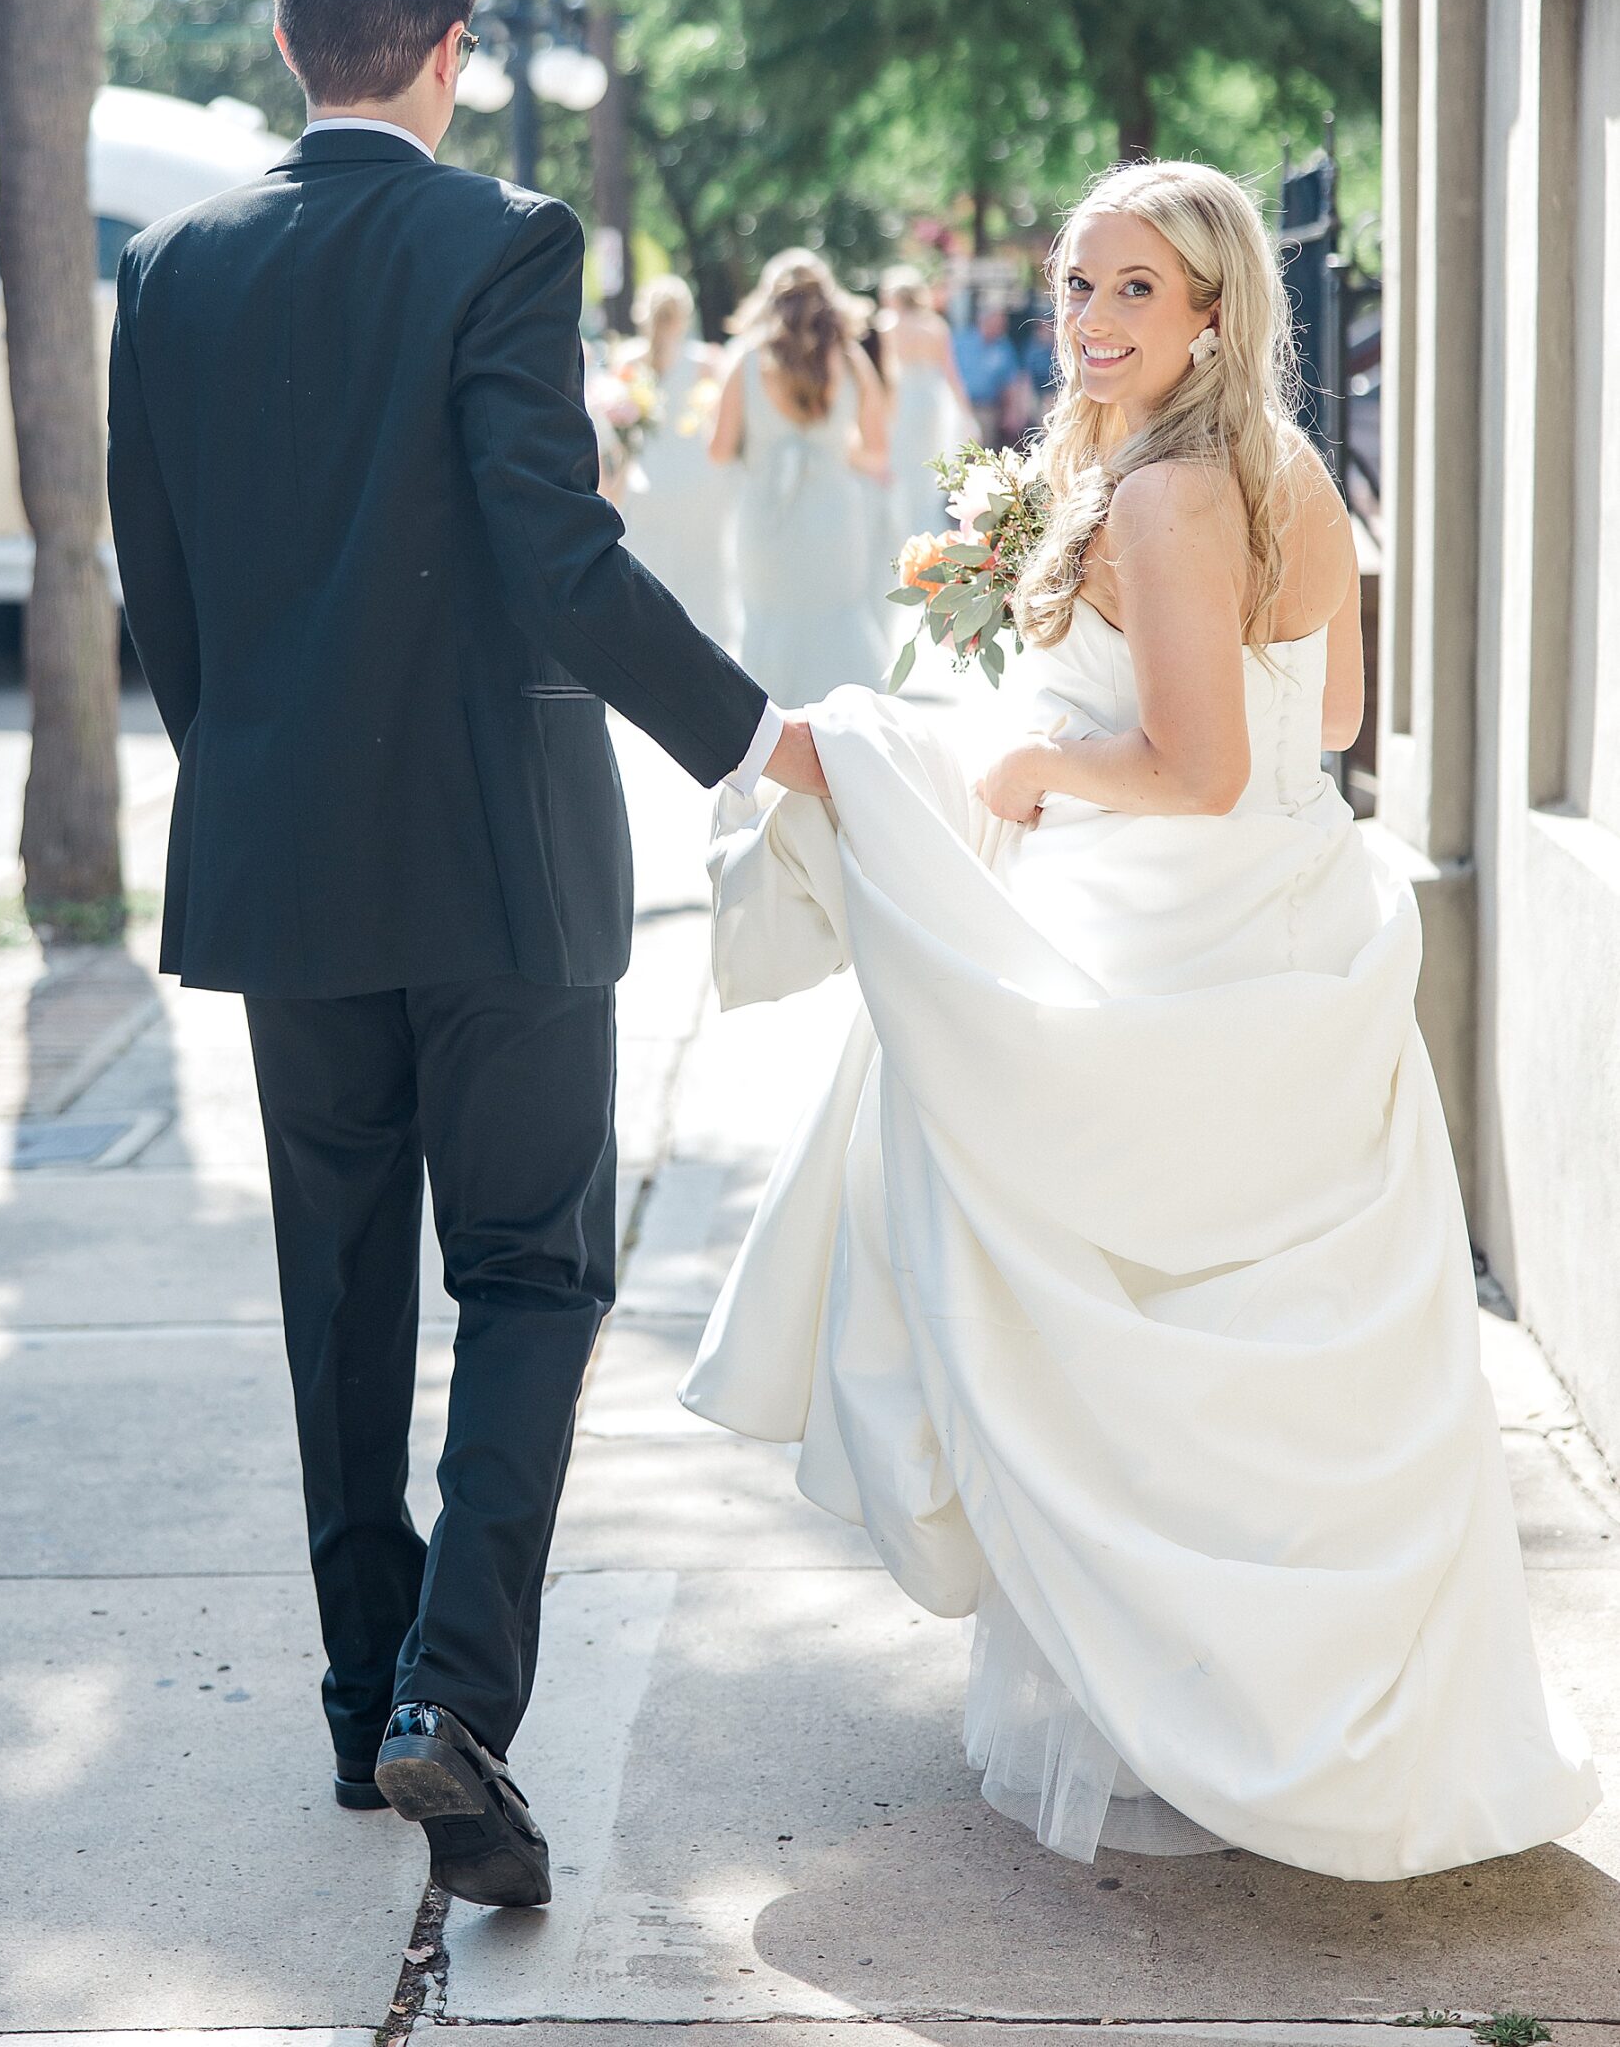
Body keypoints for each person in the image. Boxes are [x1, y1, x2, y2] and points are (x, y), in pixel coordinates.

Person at [685, 158, 1598, 1879]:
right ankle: (1301, 1710)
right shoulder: (1286, 471)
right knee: (1263, 1346)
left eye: (1129, 292)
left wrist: (1029, 756)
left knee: (1099, 1321)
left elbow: (1198, 764)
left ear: (1208, 313)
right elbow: (1323, 710)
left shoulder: (1171, 496)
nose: (1089, 323)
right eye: (1074, 287)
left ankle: (1194, 1712)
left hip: (1177, 939)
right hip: (1285, 917)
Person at [106, 0, 826, 1914]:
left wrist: (252, 770)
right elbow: (555, 554)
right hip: (497, 859)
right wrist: (750, 730)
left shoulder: (169, 268)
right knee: (528, 1274)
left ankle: (363, 1703)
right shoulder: (500, 237)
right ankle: (452, 1695)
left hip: (278, 862)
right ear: (445, 56)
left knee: (338, 1285)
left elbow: (161, 592)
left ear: (290, 48)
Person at [710, 247, 892, 707]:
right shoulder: (851, 362)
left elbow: (718, 450)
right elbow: (877, 451)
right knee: (838, 625)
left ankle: (766, 750)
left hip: (765, 521)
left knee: (767, 626)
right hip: (835, 520)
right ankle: (843, 750)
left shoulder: (747, 362)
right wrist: (833, 449)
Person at [614, 273, 737, 648]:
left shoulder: (627, 361)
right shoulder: (707, 361)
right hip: (700, 483)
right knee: (703, 579)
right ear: (685, 315)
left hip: (648, 484)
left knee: (655, 580)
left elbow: (618, 432)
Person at [875, 263, 973, 544]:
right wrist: (966, 415)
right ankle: (930, 537)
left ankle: (901, 534)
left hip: (899, 400)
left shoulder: (886, 325)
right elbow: (952, 375)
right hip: (931, 403)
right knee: (927, 469)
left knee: (901, 467)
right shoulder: (935, 326)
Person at [949, 297, 1019, 447]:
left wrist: (1011, 411)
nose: (1001, 326)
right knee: (956, 451)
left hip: (988, 409)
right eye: (997, 321)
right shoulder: (961, 341)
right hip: (960, 406)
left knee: (982, 453)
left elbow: (1010, 382)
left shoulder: (1004, 347)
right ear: (984, 320)